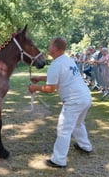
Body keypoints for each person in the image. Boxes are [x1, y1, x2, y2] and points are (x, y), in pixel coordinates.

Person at [28, 37, 93, 168]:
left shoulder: (56, 64)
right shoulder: (67, 60)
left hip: (74, 100)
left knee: (64, 129)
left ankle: (58, 160)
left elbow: (50, 88)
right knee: (78, 124)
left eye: (50, 45)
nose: (48, 46)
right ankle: (85, 146)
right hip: (85, 97)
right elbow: (59, 77)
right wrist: (40, 78)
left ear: (55, 48)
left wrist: (35, 88)